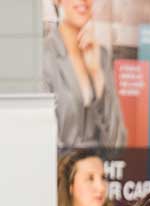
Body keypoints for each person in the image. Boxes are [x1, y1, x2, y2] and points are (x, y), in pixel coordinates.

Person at [43, 0, 126, 148]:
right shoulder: (44, 55)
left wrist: (97, 74)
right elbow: (40, 136)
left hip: (97, 168)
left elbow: (117, 143)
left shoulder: (101, 56)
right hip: (62, 168)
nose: (83, 1)